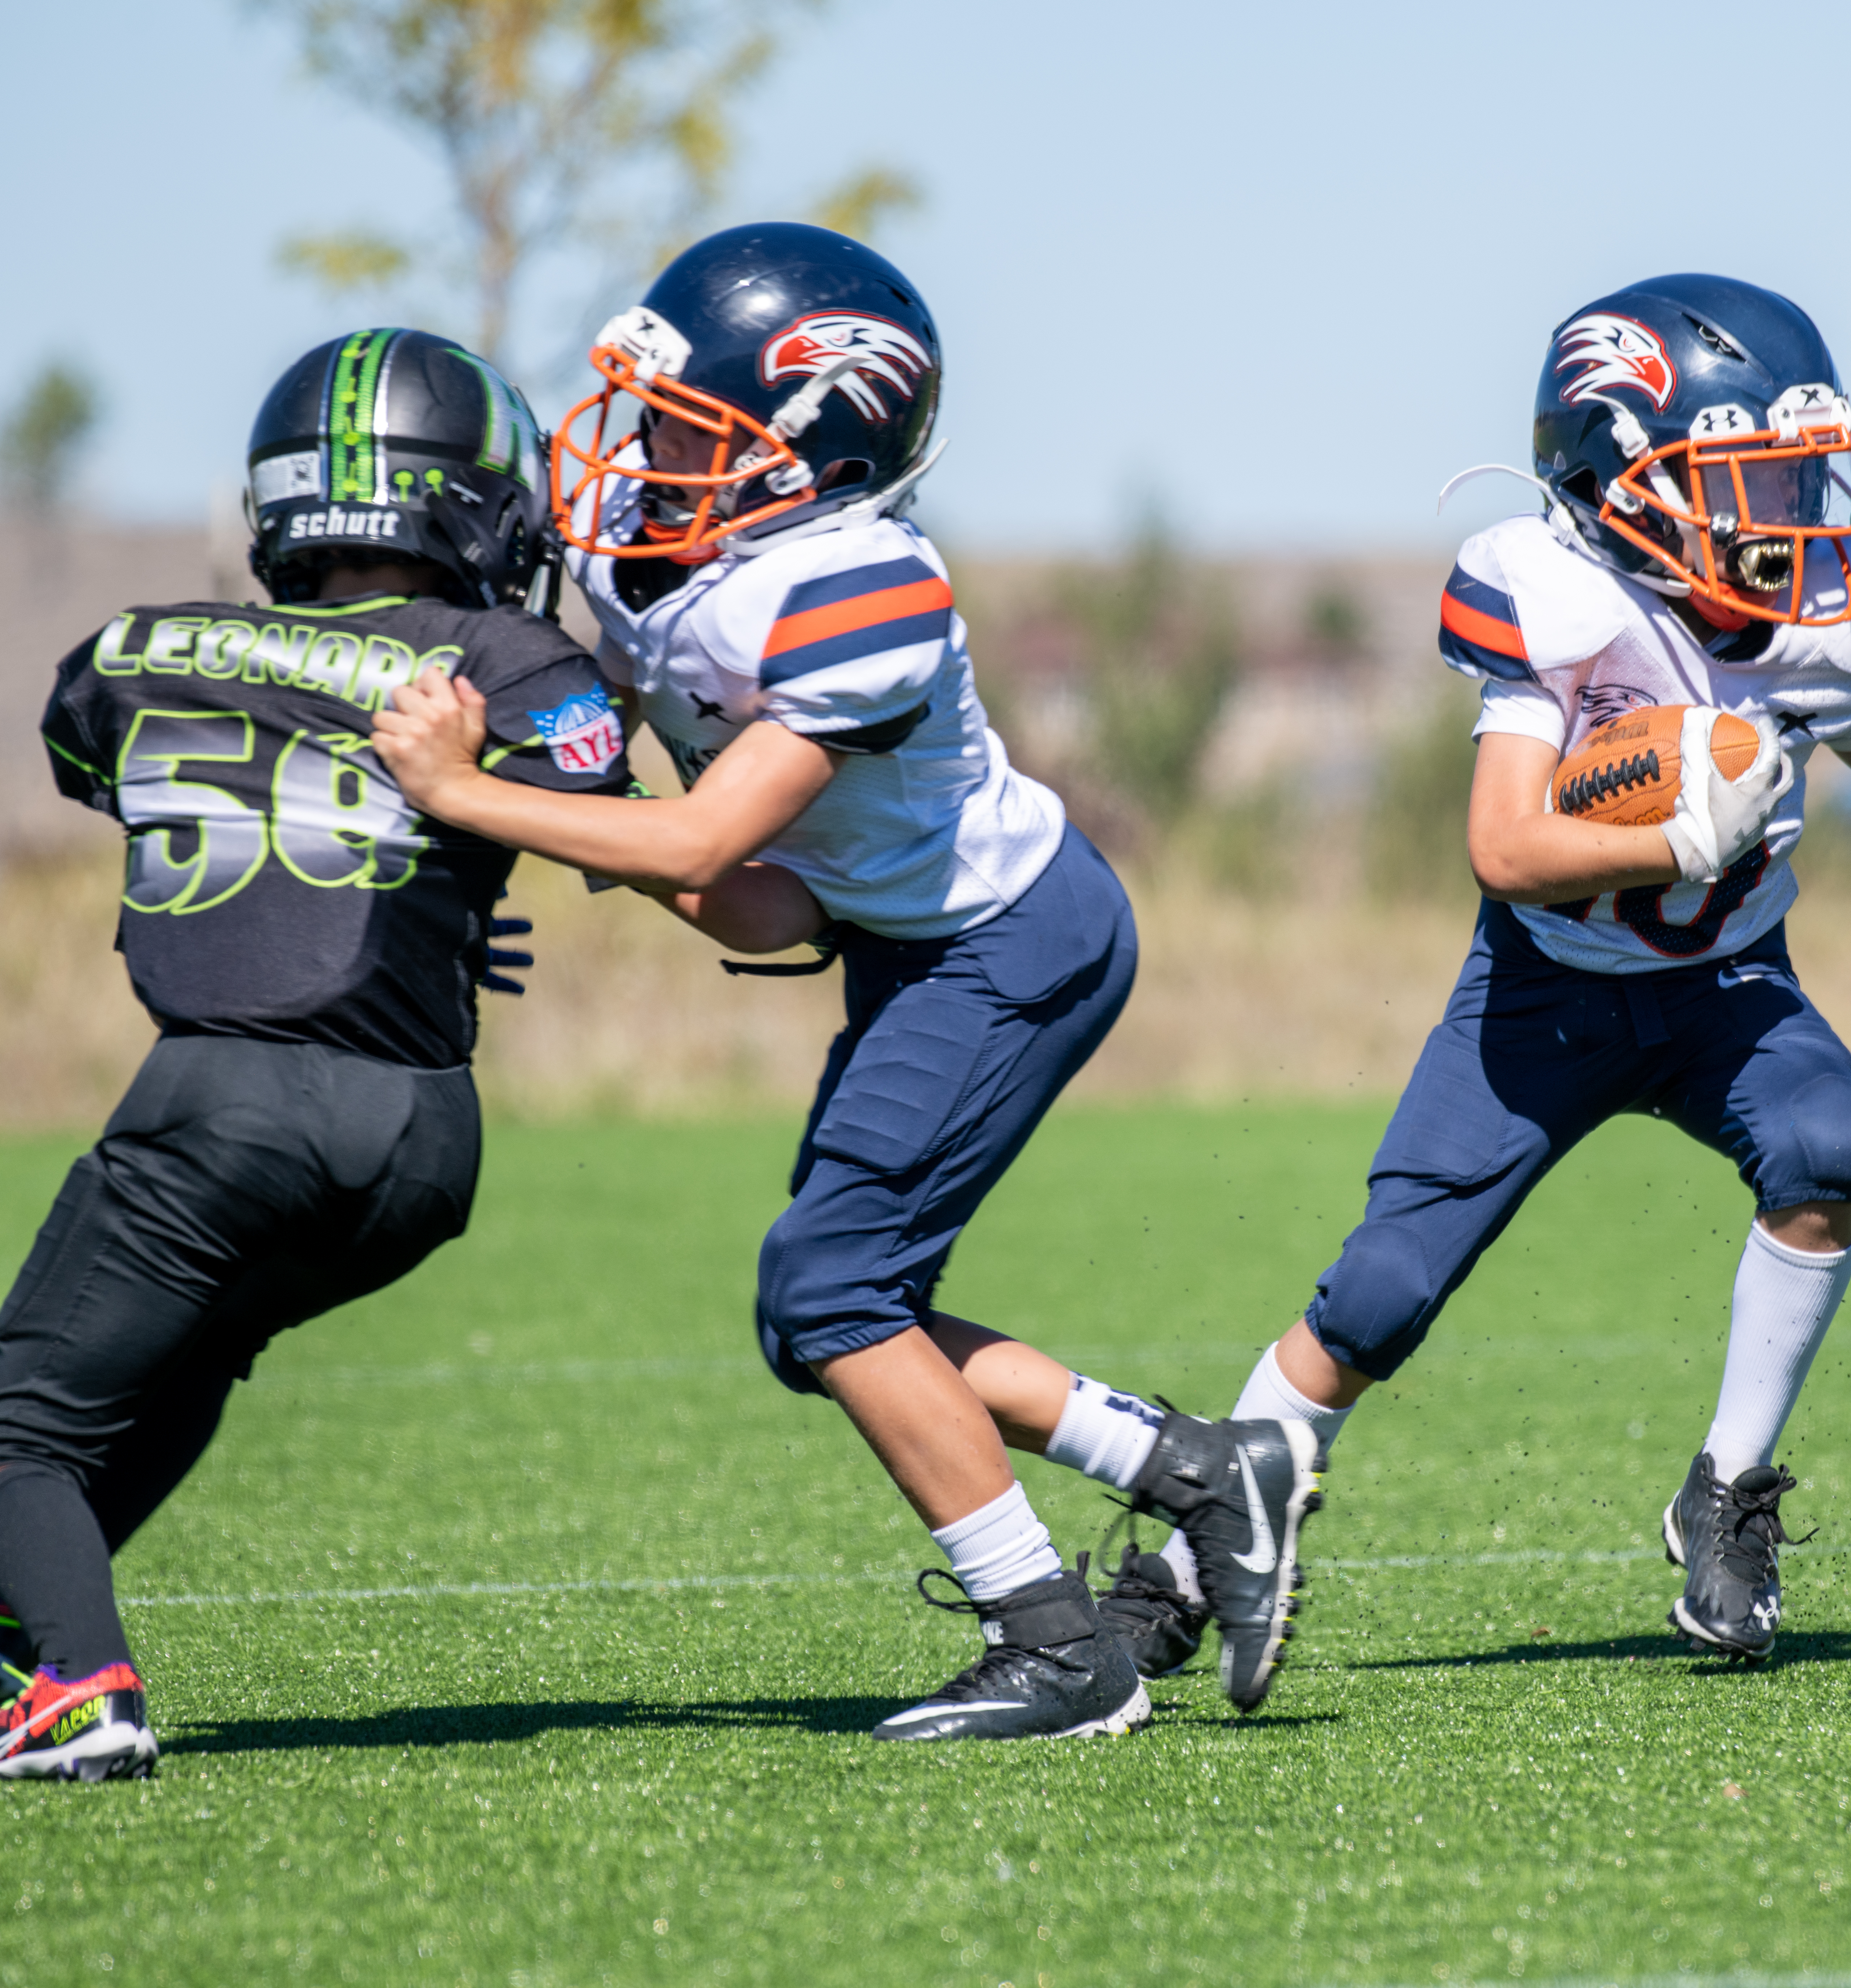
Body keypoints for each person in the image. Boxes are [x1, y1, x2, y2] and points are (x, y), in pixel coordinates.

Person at [1097, 274, 1851, 1674]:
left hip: (1727, 984)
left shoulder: (1819, 612)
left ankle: (1728, 1490)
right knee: (1382, 1291)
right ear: (1615, 474)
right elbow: (1506, 846)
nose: (1786, 518)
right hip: (1544, 991)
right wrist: (1671, 825)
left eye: (1791, 476)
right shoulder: (1552, 589)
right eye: (1741, 479)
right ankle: (1185, 1561)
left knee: (1829, 1142)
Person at [370, 222, 1316, 1742]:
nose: (643, 449)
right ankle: (1196, 1470)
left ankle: (1058, 1649)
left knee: (832, 1291)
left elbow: (695, 832)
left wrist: (470, 796)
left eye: (691, 426)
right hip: (895, 934)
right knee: (819, 1310)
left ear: (814, 449)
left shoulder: (861, 587)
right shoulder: (657, 559)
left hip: (1015, 939)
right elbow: (733, 897)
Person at [0, 328, 631, 1780]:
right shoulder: (505, 656)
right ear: (469, 500)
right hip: (421, 1137)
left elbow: (125, 768)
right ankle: (40, 1626)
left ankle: (77, 1680)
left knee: (17, 1418)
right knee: (195, 1352)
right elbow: (566, 783)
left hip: (224, 1103)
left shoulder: (130, 653)